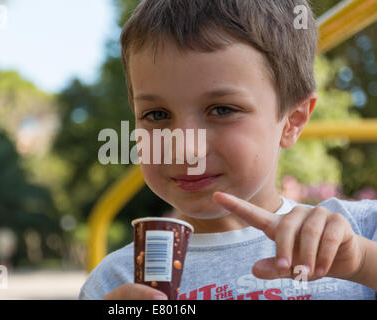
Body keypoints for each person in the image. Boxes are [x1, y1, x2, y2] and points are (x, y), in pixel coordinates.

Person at [78, 0, 377, 300]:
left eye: (222, 110)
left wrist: (363, 263)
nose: (185, 150)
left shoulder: (362, 232)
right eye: (156, 115)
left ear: (292, 120)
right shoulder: (117, 281)